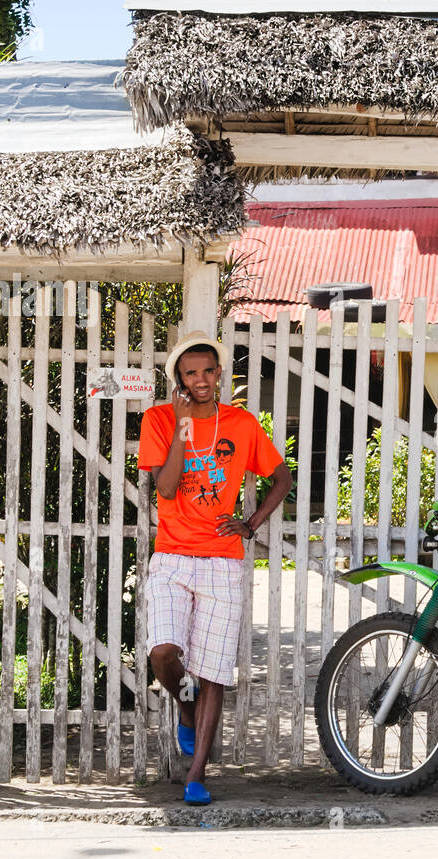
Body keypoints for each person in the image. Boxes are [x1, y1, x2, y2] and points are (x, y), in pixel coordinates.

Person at [138, 330, 292, 805]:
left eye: (208, 370)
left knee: (214, 673)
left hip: (223, 561)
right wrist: (184, 429)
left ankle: (196, 775)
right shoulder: (159, 420)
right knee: (163, 652)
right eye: (191, 373)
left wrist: (250, 524)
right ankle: (184, 706)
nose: (201, 379)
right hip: (172, 556)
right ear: (178, 381)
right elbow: (164, 490)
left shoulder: (242, 424)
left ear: (220, 373)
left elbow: (281, 476)